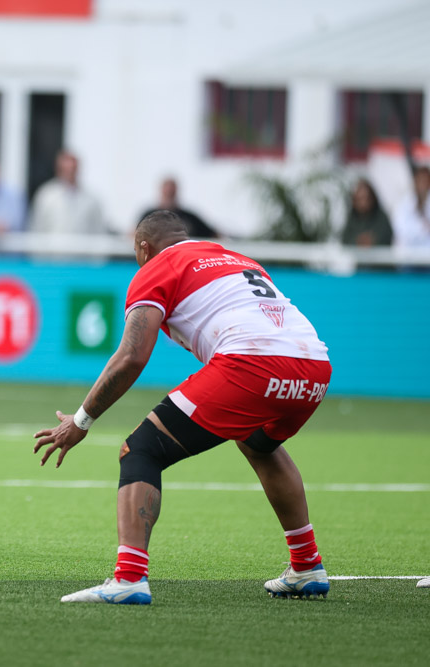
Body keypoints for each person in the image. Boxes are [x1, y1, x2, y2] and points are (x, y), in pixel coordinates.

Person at [34, 210, 332, 605]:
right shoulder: (237, 259)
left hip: (253, 364)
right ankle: (307, 565)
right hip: (314, 369)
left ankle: (128, 579)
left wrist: (81, 420)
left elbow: (131, 357)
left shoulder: (156, 266)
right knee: (258, 444)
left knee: (140, 450)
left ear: (143, 248)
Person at [28, 149, 106, 235]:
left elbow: (98, 230)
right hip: (52, 248)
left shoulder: (91, 199)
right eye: (66, 168)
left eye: (72, 168)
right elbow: (36, 227)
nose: (70, 172)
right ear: (58, 169)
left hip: (82, 248)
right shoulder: (46, 195)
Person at [140, 176, 218, 239]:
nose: (169, 195)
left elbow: (213, 234)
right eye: (167, 192)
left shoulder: (190, 218)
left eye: (171, 192)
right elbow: (135, 235)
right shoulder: (149, 216)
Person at [341, 178, 392, 247]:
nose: (363, 203)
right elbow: (345, 241)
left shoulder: (381, 218)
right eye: (359, 199)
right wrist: (358, 242)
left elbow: (386, 239)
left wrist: (373, 242)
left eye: (365, 198)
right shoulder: (351, 219)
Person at [391, 165, 430, 248]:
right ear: (415, 181)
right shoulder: (403, 203)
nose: (423, 184)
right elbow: (401, 230)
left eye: (426, 180)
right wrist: (423, 228)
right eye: (420, 180)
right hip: (408, 255)